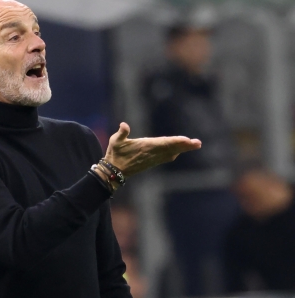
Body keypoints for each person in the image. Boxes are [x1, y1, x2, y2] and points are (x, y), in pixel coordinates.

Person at [0, 1, 201, 297]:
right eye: (15, 37)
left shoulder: (77, 140)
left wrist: (104, 176)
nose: (39, 44)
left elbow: (107, 274)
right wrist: (106, 175)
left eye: (37, 32)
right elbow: (18, 243)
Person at [141, 22, 239, 296]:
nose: (201, 50)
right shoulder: (164, 85)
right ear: (174, 47)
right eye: (192, 43)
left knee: (228, 258)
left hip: (219, 186)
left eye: (203, 42)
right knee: (194, 264)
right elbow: (179, 130)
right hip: (187, 188)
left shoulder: (206, 84)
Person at [224, 165, 295, 293]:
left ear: (272, 186)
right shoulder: (242, 232)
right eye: (241, 198)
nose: (245, 204)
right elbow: (236, 280)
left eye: (251, 196)